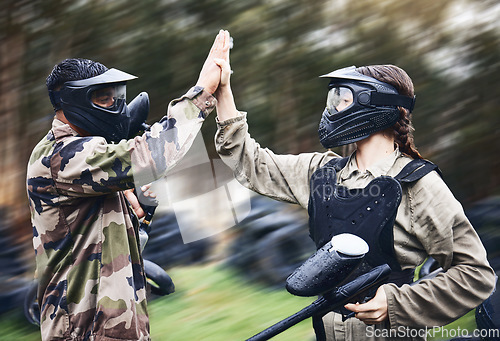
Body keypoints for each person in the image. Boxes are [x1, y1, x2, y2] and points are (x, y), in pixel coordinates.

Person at [212, 49, 496, 339]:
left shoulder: (419, 185)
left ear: (373, 104)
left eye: (342, 99)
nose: (332, 109)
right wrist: (223, 91)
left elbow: (476, 275)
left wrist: (397, 303)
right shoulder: (320, 172)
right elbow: (251, 163)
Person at [27, 30, 231, 341]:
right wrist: (204, 91)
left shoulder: (86, 157)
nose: (114, 106)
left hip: (112, 327)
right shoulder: (62, 156)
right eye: (103, 98)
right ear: (73, 100)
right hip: (83, 332)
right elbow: (153, 152)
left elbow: (95, 238)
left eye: (115, 96)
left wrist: (138, 215)